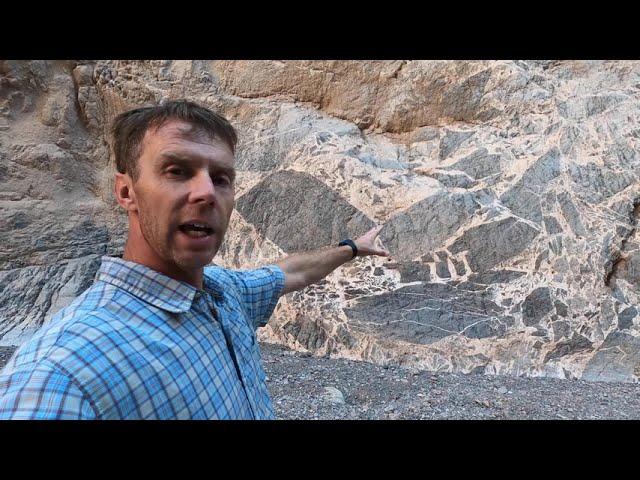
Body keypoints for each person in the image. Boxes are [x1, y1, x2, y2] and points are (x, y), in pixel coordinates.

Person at [0, 100, 389, 419]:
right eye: (177, 171)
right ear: (125, 191)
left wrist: (351, 248)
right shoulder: (60, 373)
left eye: (220, 178)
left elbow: (291, 272)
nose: (206, 193)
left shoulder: (224, 293)